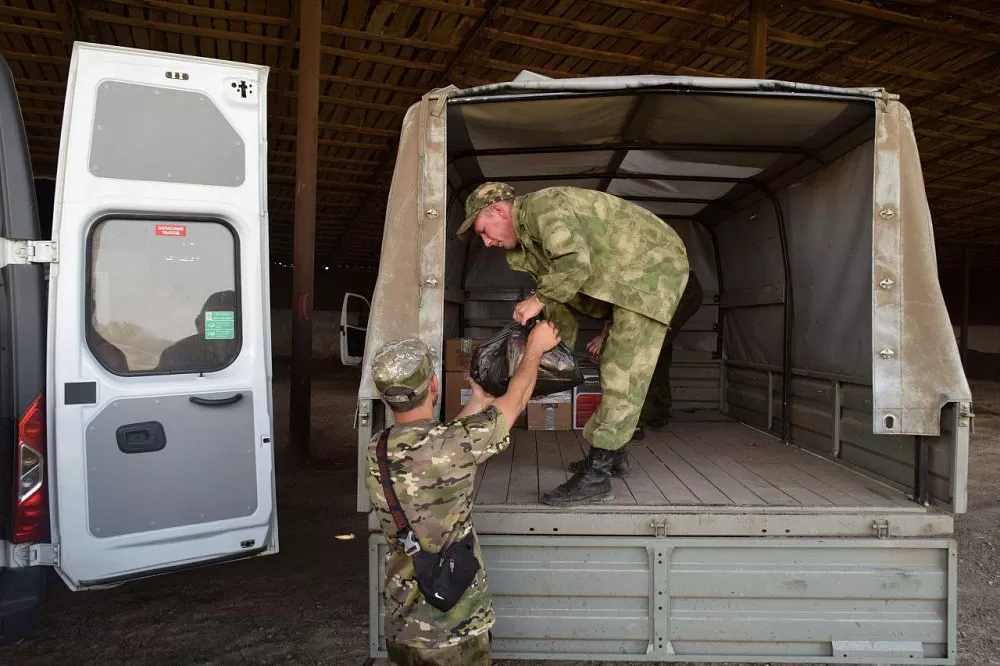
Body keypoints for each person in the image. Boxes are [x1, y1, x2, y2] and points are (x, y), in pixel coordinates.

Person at [457, 182, 690, 506]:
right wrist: (548, 347)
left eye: (483, 230)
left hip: (652, 272)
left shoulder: (545, 207)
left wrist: (537, 301)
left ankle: (597, 476)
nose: (487, 242)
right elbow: (560, 300)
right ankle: (615, 455)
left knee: (623, 369)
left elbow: (573, 266)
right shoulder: (530, 241)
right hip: (629, 275)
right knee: (613, 364)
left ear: (498, 210)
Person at [365, 321, 562, 666]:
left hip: (403, 625)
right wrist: (534, 349)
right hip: (454, 628)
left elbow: (437, 444)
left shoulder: (377, 450)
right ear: (435, 386)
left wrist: (477, 402)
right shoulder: (453, 446)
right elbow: (515, 401)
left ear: (383, 396)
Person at [571, 270, 704, 478]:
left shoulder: (601, 269)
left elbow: (623, 309)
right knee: (650, 346)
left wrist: (604, 338)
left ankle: (641, 419)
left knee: (646, 349)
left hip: (679, 286)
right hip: (656, 288)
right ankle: (644, 421)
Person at [156, 290, 238, 372]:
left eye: (229, 319)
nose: (222, 325)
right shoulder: (177, 354)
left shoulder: (246, 353)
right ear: (199, 323)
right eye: (215, 317)